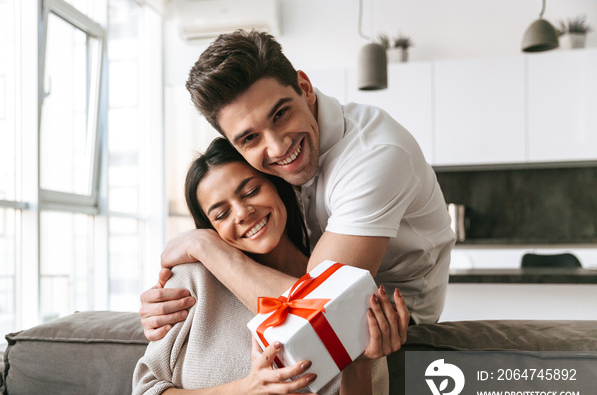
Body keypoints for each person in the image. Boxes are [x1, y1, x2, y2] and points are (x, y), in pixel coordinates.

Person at [140, 29, 454, 340]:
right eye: (250, 137)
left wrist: (204, 245)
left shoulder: (375, 155)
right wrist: (163, 306)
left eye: (280, 114)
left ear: (304, 88)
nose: (277, 148)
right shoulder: (266, 166)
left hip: (400, 327)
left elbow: (314, 312)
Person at [126, 138, 409, 395]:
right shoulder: (194, 282)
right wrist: (246, 394)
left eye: (250, 191)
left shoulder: (347, 297)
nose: (243, 213)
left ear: (277, 186)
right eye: (221, 213)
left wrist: (357, 362)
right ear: (211, 229)